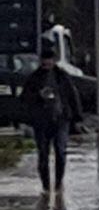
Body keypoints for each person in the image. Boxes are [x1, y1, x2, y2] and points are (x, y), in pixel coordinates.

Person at [19, 39, 83, 195]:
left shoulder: (62, 76)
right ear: (41, 61)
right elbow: (24, 98)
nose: (47, 63)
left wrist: (78, 118)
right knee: (43, 155)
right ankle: (46, 187)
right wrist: (38, 96)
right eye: (44, 60)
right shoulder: (34, 78)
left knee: (61, 152)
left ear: (54, 61)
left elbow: (72, 96)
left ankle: (59, 183)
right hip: (41, 122)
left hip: (61, 120)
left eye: (50, 60)